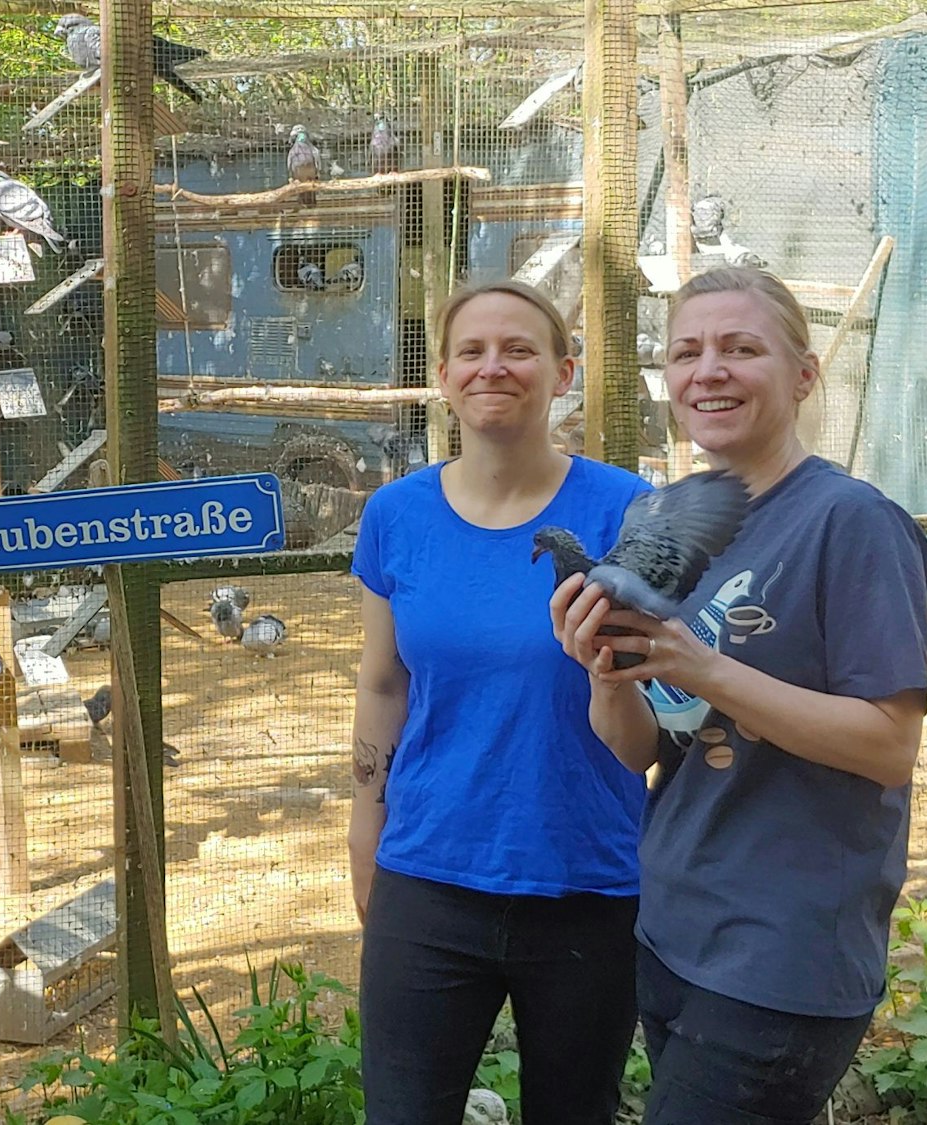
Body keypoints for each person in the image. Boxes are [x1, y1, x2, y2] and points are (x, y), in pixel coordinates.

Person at [551, 266, 927, 1124]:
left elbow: (889, 745)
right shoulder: (660, 515)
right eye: (686, 351)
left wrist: (705, 668)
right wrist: (602, 667)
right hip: (674, 925)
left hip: (786, 947)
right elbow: (641, 746)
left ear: (802, 376)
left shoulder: (852, 522)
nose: (707, 369)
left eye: (740, 348)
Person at [350, 280, 652, 1124]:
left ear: (564, 372)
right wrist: (364, 825)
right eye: (472, 352)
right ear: (442, 375)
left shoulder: (625, 507)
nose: (495, 367)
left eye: (519, 349)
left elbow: (656, 710)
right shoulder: (395, 515)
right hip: (428, 872)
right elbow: (384, 683)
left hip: (587, 875)